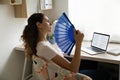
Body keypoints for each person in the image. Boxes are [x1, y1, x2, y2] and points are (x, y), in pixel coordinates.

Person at [21, 13, 92, 80]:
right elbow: (73, 68)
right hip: (65, 75)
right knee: (99, 72)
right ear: (39, 25)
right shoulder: (44, 47)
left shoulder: (39, 44)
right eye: (47, 21)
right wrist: (79, 42)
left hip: (61, 71)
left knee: (91, 63)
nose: (50, 23)